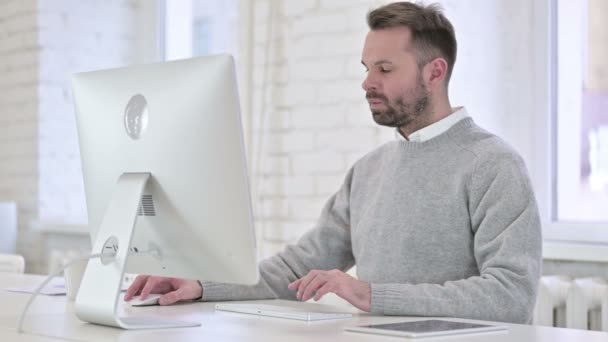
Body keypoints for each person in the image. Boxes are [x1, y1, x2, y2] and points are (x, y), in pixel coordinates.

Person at [125, 2, 541, 324]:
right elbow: (296, 268)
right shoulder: (369, 170)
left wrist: (372, 295)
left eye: (385, 68)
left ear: (435, 72)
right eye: (366, 68)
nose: (367, 82)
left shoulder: (493, 164)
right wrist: (200, 285)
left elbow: (511, 295)